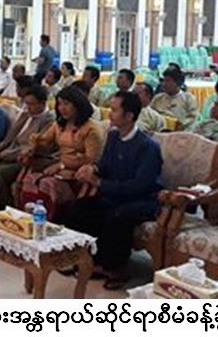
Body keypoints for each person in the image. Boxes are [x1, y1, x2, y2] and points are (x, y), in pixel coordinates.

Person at [61, 90, 162, 290]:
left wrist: (100, 183)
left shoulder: (147, 146)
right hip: (115, 194)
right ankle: (84, 257)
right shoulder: (114, 136)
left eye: (115, 110)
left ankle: (116, 268)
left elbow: (140, 185)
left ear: (129, 116)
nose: (110, 114)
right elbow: (105, 165)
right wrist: (92, 169)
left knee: (118, 215)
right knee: (80, 208)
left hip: (143, 200)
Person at [0, 85, 55, 231]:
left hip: (23, 159)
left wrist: (10, 154)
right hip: (8, 151)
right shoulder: (25, 115)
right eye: (26, 104)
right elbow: (10, 136)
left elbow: (33, 147)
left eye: (32, 104)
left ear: (42, 103)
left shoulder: (48, 120)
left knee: (0, 173)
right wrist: (0, 147)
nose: (28, 107)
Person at [17, 85, 103, 220]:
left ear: (78, 105)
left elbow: (90, 159)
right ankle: (27, 221)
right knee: (30, 179)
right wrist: (32, 147)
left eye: (66, 104)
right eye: (59, 104)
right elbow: (43, 140)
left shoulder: (91, 129)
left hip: (78, 174)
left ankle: (48, 222)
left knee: (47, 184)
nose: (62, 108)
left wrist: (61, 165)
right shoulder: (60, 125)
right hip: (58, 170)